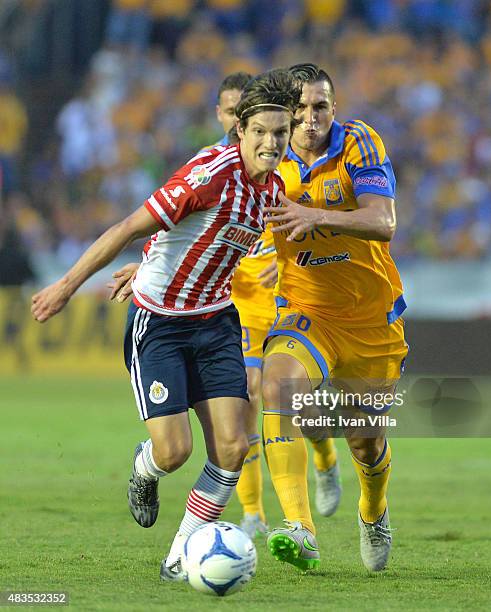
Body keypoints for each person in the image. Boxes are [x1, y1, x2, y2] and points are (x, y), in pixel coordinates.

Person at [31, 68, 301, 581]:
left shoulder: (275, 186)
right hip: (160, 323)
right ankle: (145, 467)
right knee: (175, 452)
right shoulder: (209, 176)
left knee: (233, 447)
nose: (272, 142)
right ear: (240, 131)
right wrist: (67, 286)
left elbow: (206, 240)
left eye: (280, 132)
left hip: (217, 319)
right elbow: (130, 227)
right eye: (261, 132)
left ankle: (180, 556)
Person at [110, 69, 342, 538]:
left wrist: (294, 261)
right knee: (244, 410)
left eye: (279, 128)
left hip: (269, 303)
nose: (270, 136)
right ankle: (253, 514)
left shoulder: (284, 162)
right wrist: (147, 263)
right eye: (242, 115)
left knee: (284, 405)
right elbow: (179, 223)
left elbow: (301, 221)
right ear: (229, 118)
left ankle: (324, 457)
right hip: (224, 302)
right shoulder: (214, 165)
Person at [261, 63, 408, 572]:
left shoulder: (359, 143)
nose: (308, 118)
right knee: (276, 387)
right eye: (298, 109)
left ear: (334, 108)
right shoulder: (264, 154)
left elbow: (383, 221)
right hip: (307, 310)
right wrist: (149, 259)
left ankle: (373, 512)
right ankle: (299, 528)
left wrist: (314, 215)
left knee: (366, 443)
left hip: (371, 320)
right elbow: (212, 212)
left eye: (319, 106)